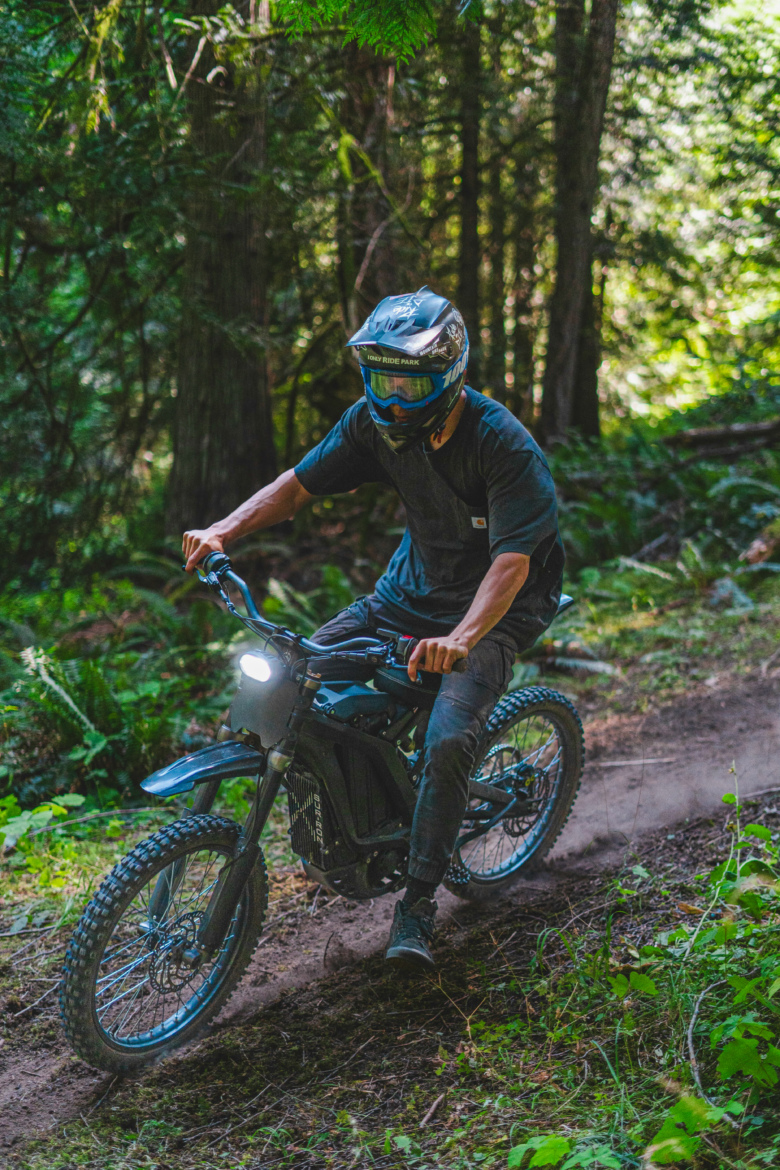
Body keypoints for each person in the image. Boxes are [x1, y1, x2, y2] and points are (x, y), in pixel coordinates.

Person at [182, 287, 564, 974]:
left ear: (445, 374)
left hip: (492, 614)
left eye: (405, 380)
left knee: (449, 740)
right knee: (289, 685)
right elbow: (296, 486)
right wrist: (222, 531)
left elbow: (512, 564)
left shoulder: (504, 446)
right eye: (380, 378)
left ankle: (417, 899)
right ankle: (359, 813)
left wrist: (464, 639)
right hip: (402, 598)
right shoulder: (373, 425)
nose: (390, 394)